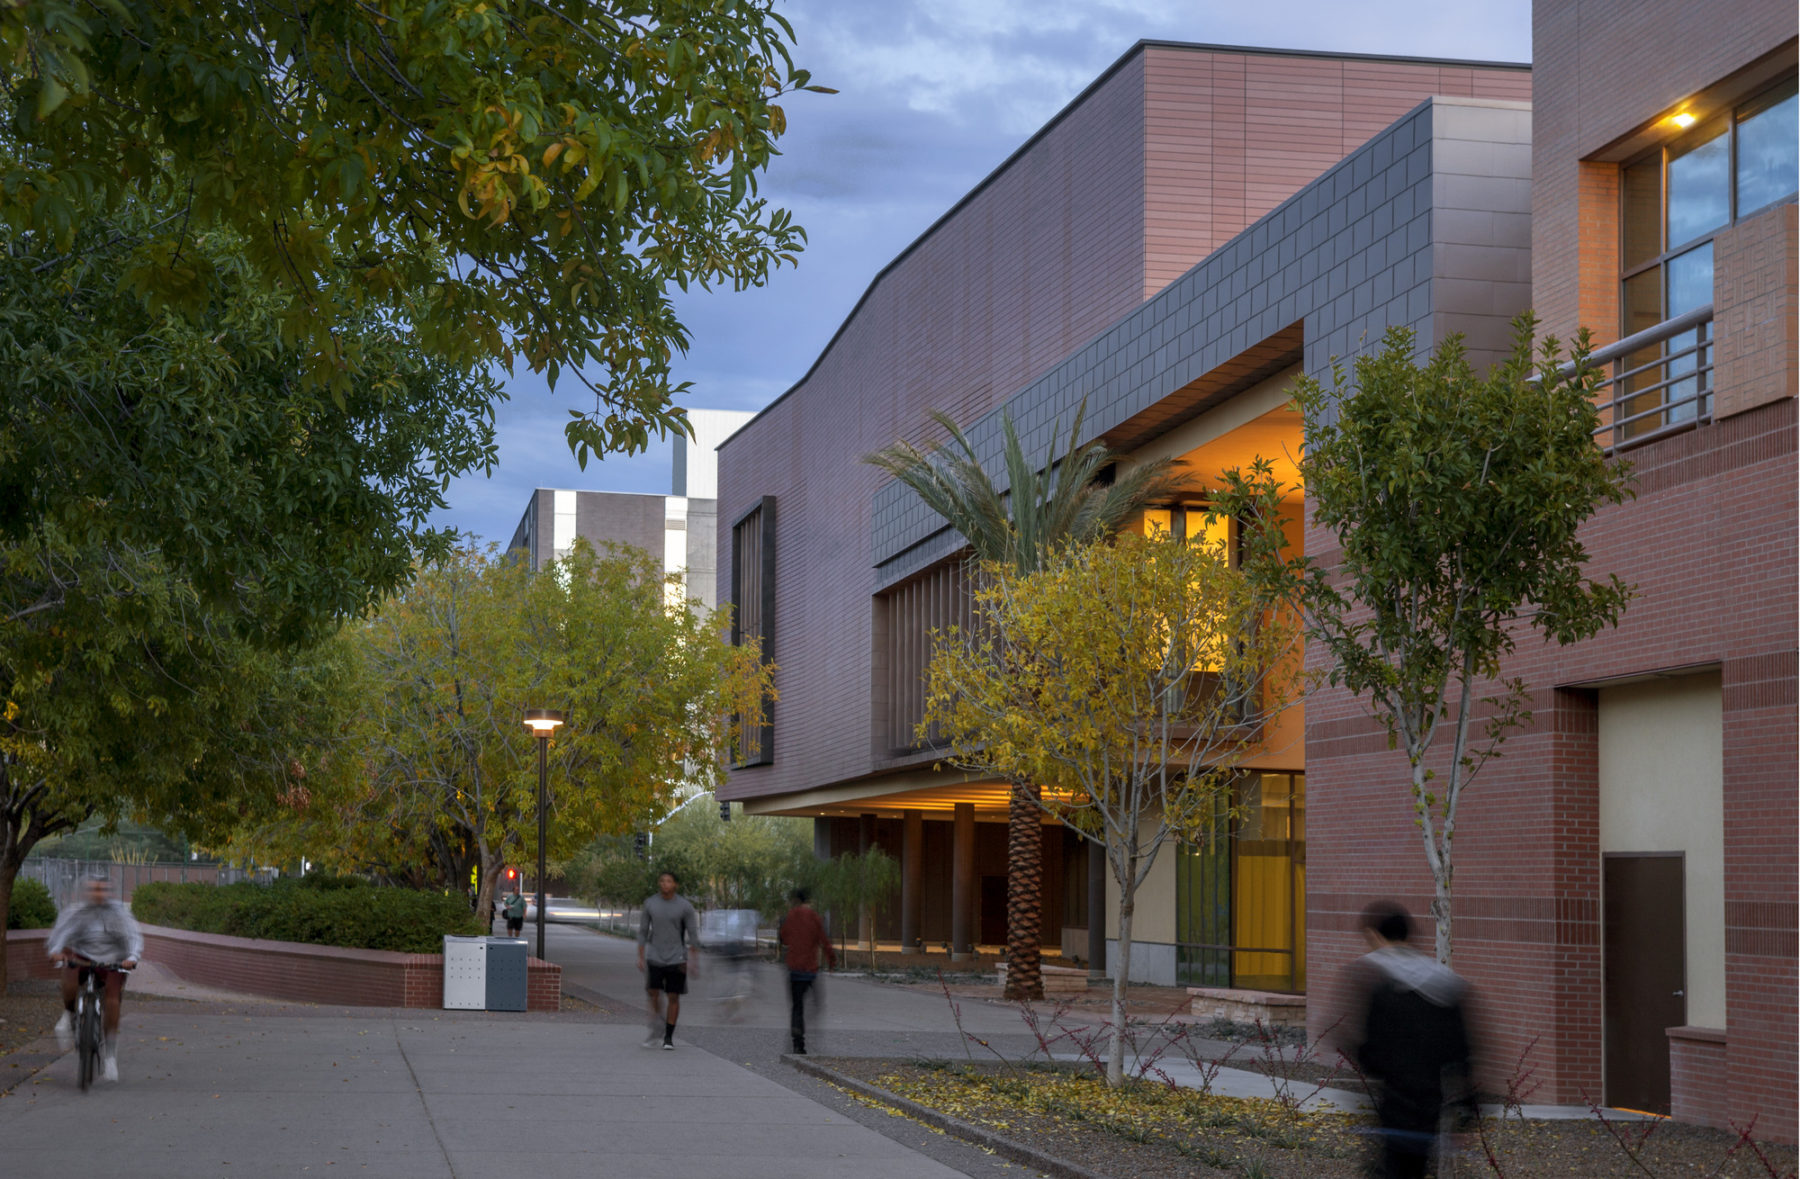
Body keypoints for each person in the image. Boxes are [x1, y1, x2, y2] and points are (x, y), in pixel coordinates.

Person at [1346, 901, 1478, 1179]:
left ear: (1375, 936)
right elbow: (1463, 1052)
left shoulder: (1376, 983)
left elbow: (1371, 1056)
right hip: (1429, 1108)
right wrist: (1466, 1107)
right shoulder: (1447, 984)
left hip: (1394, 1106)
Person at [45, 875, 143, 1083]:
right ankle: (69, 1013)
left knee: (112, 999)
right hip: (83, 956)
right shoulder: (77, 911)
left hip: (112, 960)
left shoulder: (118, 913)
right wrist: (56, 951)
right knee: (69, 974)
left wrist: (131, 957)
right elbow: (62, 932)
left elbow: (133, 935)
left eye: (103, 890)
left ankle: (109, 1055)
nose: (99, 895)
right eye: (94, 890)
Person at [636, 870, 699, 1050]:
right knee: (653, 992)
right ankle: (659, 1021)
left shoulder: (684, 906)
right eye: (662, 881)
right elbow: (642, 932)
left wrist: (694, 961)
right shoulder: (650, 903)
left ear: (675, 885)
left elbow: (693, 934)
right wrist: (640, 956)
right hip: (655, 955)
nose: (665, 884)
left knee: (673, 995)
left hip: (677, 957)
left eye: (669, 881)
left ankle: (668, 1036)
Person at [777, 888, 834, 1055]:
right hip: (810, 969)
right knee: (817, 1003)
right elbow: (824, 940)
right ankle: (809, 1030)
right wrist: (832, 961)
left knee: (797, 1006)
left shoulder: (790, 916)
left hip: (794, 968)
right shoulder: (815, 917)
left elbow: (784, 938)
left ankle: (798, 1041)